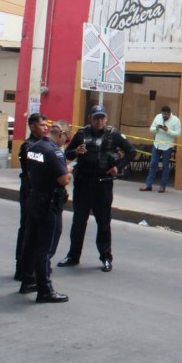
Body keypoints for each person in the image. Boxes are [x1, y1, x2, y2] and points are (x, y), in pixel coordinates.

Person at [58, 105, 136, 272]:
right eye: (96, 118)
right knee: (78, 222)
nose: (99, 121)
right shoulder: (81, 134)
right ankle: (73, 256)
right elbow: (67, 154)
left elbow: (131, 151)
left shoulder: (113, 134)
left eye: (102, 118)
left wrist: (118, 167)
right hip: (83, 183)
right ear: (90, 118)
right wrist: (76, 151)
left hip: (103, 184)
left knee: (103, 223)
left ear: (106, 118)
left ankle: (106, 257)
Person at [22, 121, 72, 303]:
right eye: (66, 139)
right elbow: (64, 179)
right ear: (62, 134)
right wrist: (69, 171)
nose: (64, 143)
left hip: (35, 198)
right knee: (45, 247)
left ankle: (28, 280)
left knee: (31, 243)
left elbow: (30, 173)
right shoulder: (54, 152)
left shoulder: (34, 147)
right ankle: (45, 289)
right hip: (49, 203)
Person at [14, 112, 48, 282]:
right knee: (27, 228)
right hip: (30, 192)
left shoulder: (43, 144)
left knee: (36, 231)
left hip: (39, 193)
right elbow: (33, 172)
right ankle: (22, 267)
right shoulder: (29, 146)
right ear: (33, 127)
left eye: (46, 125)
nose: (45, 128)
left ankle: (32, 267)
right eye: (42, 125)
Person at [140, 105, 181, 193]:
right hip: (157, 145)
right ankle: (148, 185)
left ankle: (163, 186)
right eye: (163, 114)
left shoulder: (176, 120)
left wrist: (167, 130)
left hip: (167, 146)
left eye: (166, 114)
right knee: (153, 164)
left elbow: (178, 134)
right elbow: (151, 129)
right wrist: (157, 128)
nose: (164, 116)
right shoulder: (158, 117)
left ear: (170, 113)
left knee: (165, 166)